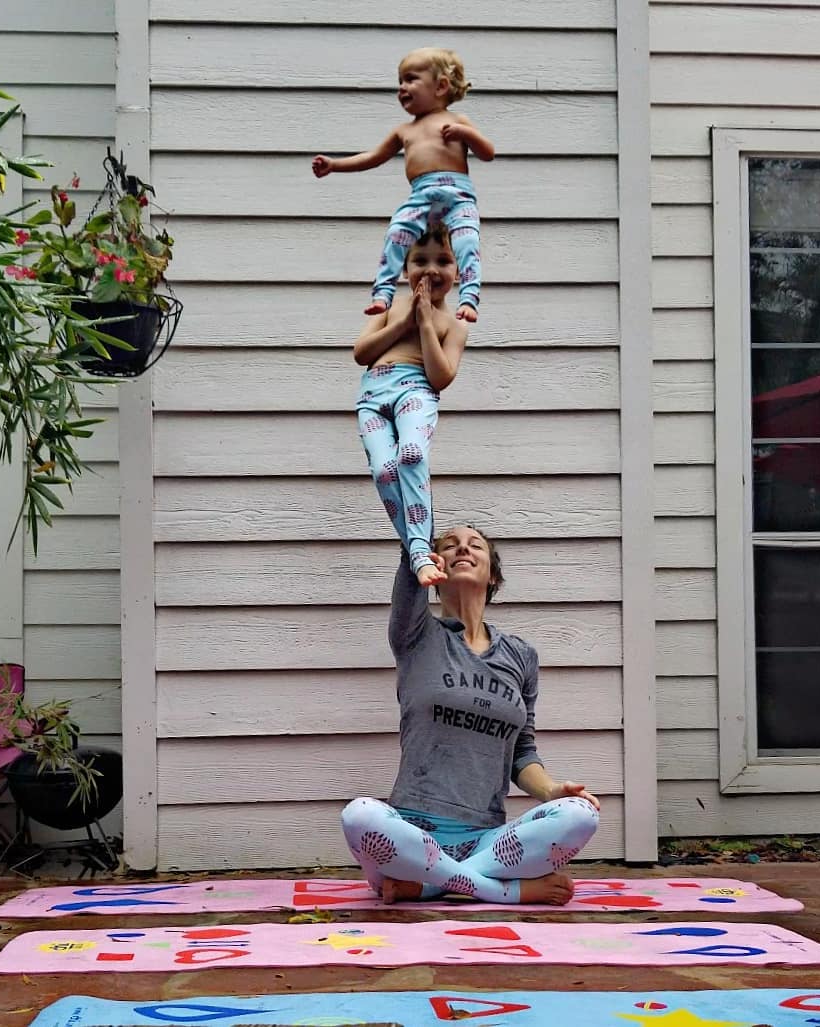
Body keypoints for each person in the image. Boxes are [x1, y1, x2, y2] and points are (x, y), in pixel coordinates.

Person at [341, 525, 601, 905]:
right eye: (450, 545)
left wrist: (551, 791)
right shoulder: (416, 635)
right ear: (435, 569)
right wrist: (414, 541)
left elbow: (521, 750)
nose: (462, 547)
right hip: (410, 835)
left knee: (580, 815)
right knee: (360, 817)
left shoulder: (520, 656)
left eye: (475, 545)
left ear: (492, 574)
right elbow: (411, 549)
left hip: (487, 840)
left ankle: (431, 886)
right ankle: (501, 891)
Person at [312, 47, 494, 322]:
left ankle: (468, 298)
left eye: (410, 79)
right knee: (396, 234)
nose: (402, 88)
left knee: (467, 241)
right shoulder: (404, 131)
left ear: (441, 86)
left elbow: (488, 153)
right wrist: (335, 165)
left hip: (458, 196)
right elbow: (373, 157)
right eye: (400, 82)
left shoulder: (458, 121)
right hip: (420, 195)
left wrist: (466, 133)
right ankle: (383, 294)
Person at [354, 224, 468, 587]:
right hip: (373, 394)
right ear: (405, 269)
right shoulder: (387, 305)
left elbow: (440, 376)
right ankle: (420, 553)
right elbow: (362, 352)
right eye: (420, 260)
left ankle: (420, 551)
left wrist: (424, 325)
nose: (431, 269)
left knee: (412, 454)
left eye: (443, 261)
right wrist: (404, 319)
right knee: (385, 471)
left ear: (459, 269)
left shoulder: (453, 324)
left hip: (415, 391)